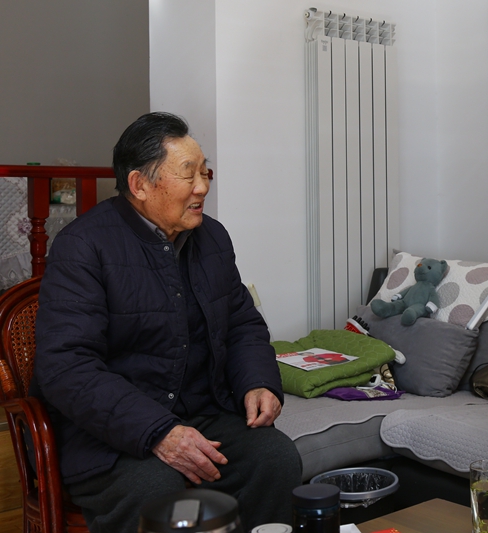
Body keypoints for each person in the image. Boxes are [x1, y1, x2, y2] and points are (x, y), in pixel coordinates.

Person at [32, 112, 302, 533]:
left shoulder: (212, 238)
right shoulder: (83, 246)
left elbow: (241, 324)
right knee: (156, 488)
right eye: (187, 174)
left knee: (275, 459)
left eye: (204, 172)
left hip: (201, 413)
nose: (202, 187)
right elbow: (66, 366)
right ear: (139, 184)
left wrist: (258, 382)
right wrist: (158, 430)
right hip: (107, 432)